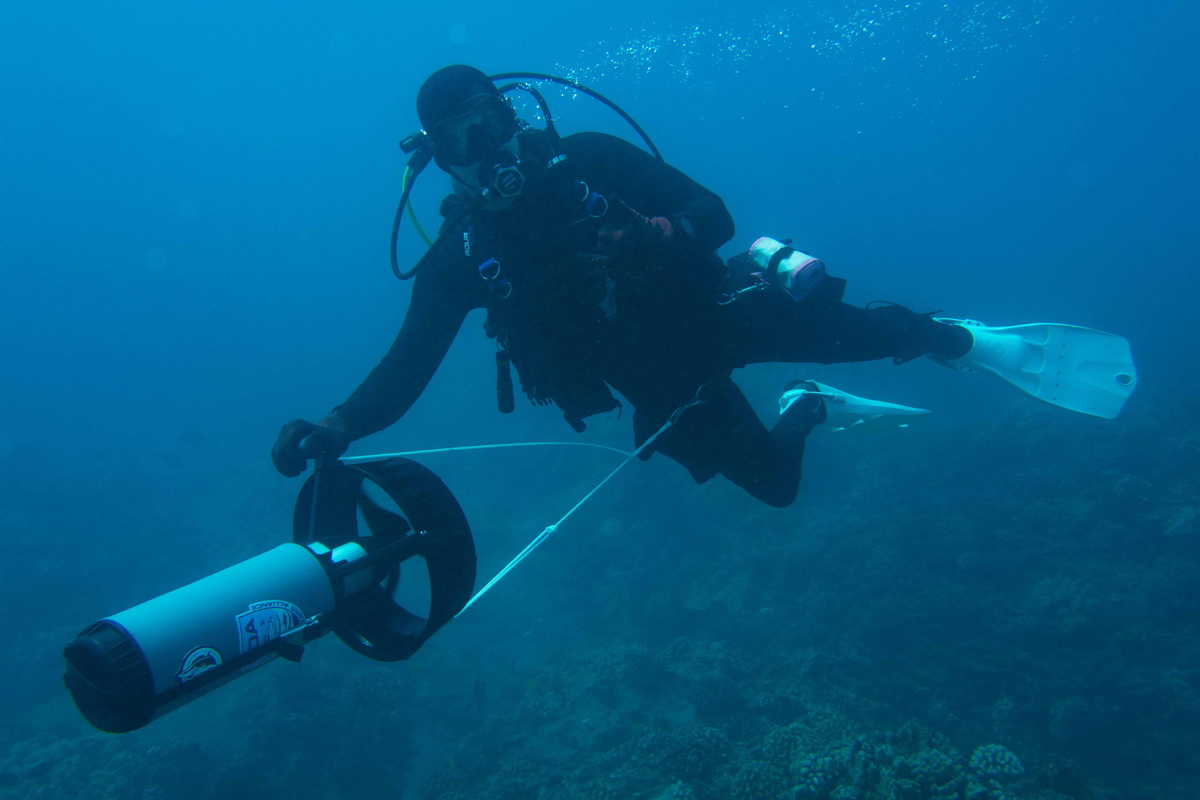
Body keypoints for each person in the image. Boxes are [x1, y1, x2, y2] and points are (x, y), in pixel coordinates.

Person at [272, 65, 1135, 507]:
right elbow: (408, 362)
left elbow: (712, 212)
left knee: (882, 333)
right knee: (777, 489)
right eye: (461, 142)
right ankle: (808, 404)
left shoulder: (591, 163)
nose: (486, 150)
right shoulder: (465, 255)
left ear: (512, 115)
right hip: (661, 385)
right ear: (439, 159)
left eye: (489, 124)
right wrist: (339, 424)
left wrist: (655, 230)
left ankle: (961, 339)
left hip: (719, 312)